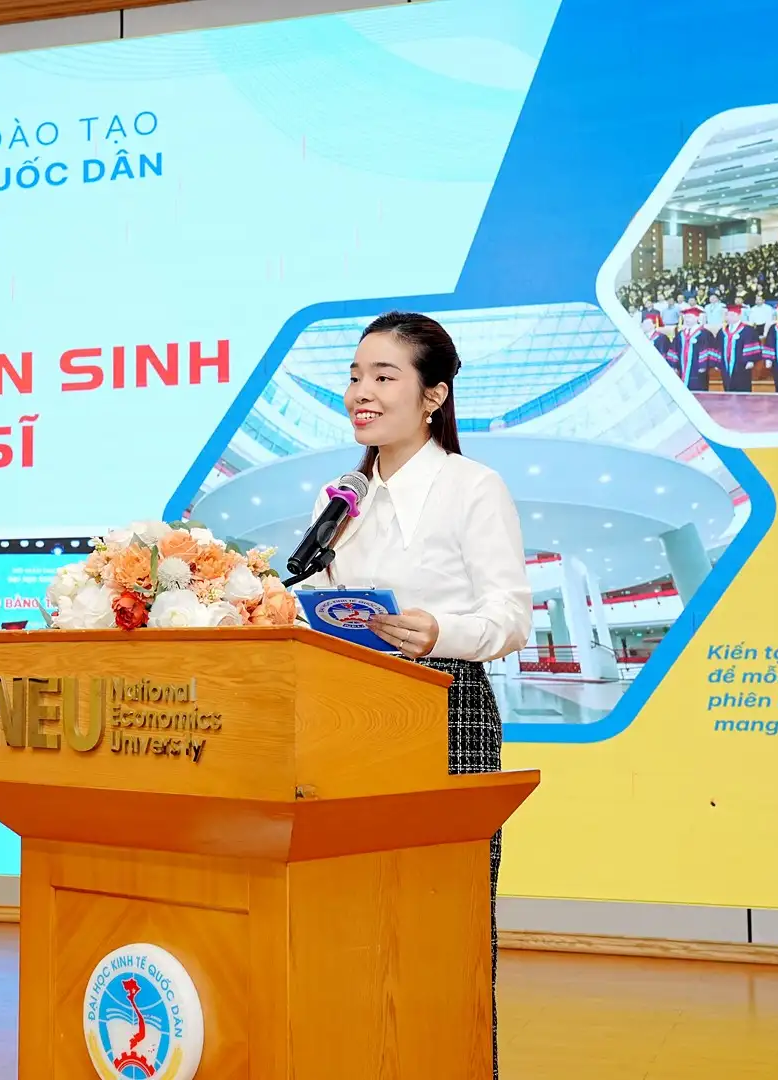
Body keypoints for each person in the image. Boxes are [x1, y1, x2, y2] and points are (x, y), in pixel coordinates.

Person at [298, 311, 533, 1080]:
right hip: (350, 719)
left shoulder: (472, 487)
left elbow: (512, 616)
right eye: (354, 376)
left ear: (433, 395)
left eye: (383, 376)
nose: (360, 393)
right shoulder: (341, 500)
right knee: (355, 917)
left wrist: (439, 631)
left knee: (443, 920)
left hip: (446, 708)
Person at [713, 303, 761, 393]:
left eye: (732, 315)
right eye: (727, 315)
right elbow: (718, 347)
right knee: (727, 385)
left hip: (742, 365)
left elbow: (752, 345)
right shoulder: (722, 331)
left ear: (739, 315)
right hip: (726, 364)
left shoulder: (748, 330)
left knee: (742, 387)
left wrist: (750, 360)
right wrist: (717, 362)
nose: (729, 317)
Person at [670, 305, 716, 391]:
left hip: (698, 369)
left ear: (697, 318)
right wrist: (674, 365)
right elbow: (674, 350)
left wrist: (703, 366)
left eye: (690, 317)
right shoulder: (680, 334)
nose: (687, 319)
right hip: (682, 368)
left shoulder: (704, 333)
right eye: (686, 317)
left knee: (698, 389)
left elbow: (708, 350)